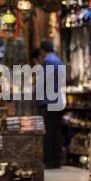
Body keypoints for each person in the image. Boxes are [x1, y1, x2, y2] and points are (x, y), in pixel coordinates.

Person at [38, 41, 64, 169]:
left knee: (48, 132)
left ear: (43, 50)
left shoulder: (48, 60)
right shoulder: (58, 60)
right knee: (56, 131)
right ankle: (56, 160)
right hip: (57, 100)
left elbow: (42, 81)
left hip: (48, 101)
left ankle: (48, 161)